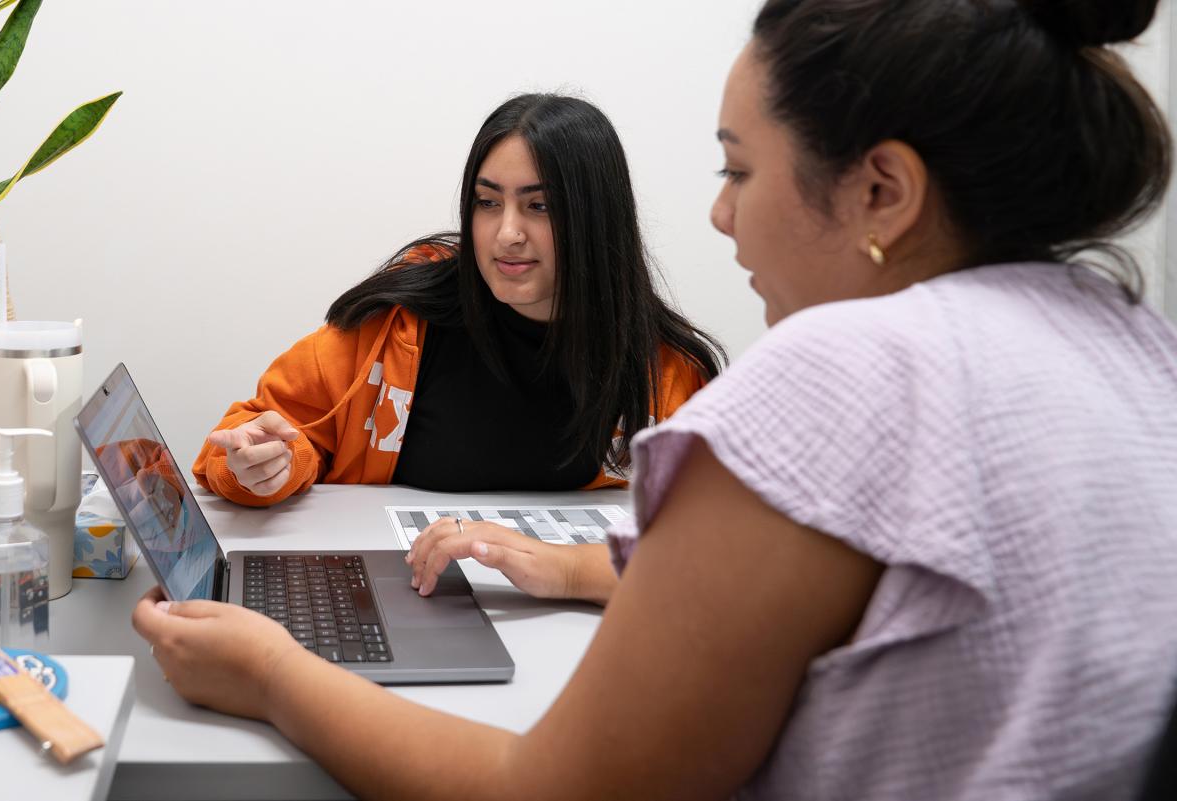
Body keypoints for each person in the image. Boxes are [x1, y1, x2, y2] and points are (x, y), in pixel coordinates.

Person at [135, 0, 1177, 797]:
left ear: (882, 193)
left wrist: (271, 674)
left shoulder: (830, 373)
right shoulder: (1137, 345)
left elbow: (554, 788)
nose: (721, 217)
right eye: (489, 204)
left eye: (739, 172)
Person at [193, 94, 724, 514]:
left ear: (596, 219)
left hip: (578, 609)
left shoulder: (668, 372)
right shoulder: (394, 327)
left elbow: (714, 533)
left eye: (540, 206)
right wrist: (265, 467)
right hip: (410, 590)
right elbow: (253, 437)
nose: (507, 233)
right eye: (487, 202)